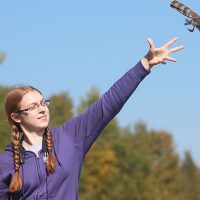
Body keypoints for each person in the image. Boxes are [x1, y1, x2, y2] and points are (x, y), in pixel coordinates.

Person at [0, 37, 184, 200]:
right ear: (16, 117)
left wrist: (145, 64)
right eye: (33, 107)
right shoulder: (5, 162)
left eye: (43, 103)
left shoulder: (70, 137)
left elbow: (108, 104)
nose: (42, 110)